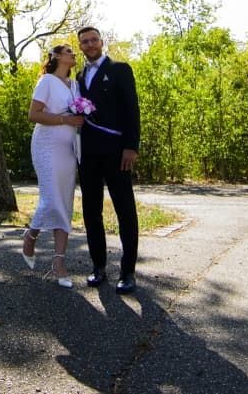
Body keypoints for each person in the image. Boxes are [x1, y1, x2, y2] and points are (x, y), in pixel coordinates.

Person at [76, 25, 141, 294]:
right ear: (80, 46)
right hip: (88, 154)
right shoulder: (78, 77)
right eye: (85, 42)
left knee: (125, 210)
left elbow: (131, 109)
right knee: (91, 211)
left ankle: (127, 271)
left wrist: (130, 147)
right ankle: (98, 266)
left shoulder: (119, 70)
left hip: (116, 153)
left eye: (94, 40)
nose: (90, 45)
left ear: (102, 42)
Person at [23, 44, 86, 288]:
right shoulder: (47, 81)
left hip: (69, 149)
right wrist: (65, 119)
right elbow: (34, 114)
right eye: (69, 51)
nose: (73, 54)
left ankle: (59, 262)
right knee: (50, 199)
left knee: (65, 201)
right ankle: (31, 236)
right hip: (47, 147)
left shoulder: (75, 85)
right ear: (57, 57)